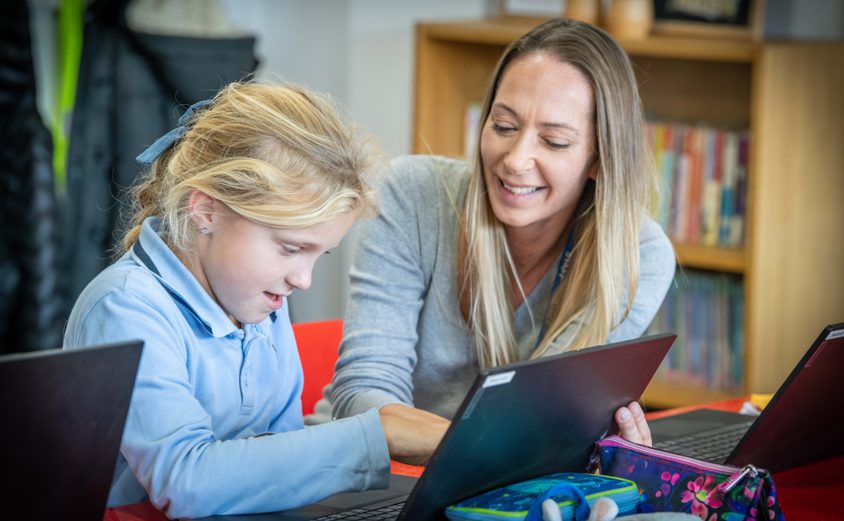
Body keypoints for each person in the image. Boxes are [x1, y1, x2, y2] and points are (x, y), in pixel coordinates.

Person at [62, 82, 444, 518]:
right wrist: (376, 435)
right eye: (290, 248)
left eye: (321, 254)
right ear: (206, 211)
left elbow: (280, 458)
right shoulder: (124, 308)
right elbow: (186, 484)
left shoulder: (253, 297)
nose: (303, 280)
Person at [326, 18, 676, 449]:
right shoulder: (414, 193)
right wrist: (479, 449)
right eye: (504, 126)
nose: (515, 159)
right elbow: (362, 393)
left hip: (498, 489)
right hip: (370, 471)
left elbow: (542, 421)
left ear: (599, 160)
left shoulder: (637, 252)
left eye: (554, 141)